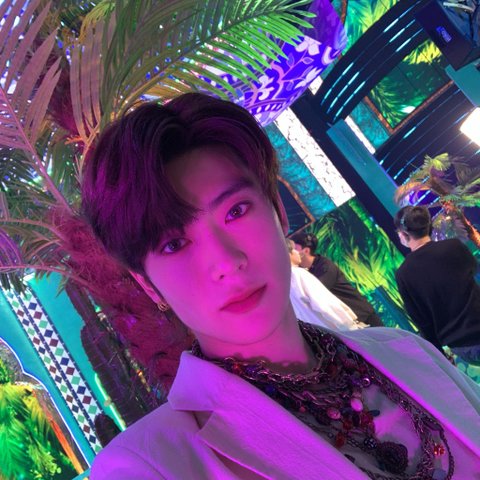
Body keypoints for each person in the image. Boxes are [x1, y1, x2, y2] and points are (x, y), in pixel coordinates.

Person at [83, 93, 480, 480]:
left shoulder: (406, 351)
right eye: (174, 244)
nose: (226, 262)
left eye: (236, 211)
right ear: (149, 286)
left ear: (277, 210)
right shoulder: (148, 466)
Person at [394, 205, 480, 365]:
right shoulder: (454, 246)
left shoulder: (404, 274)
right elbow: (474, 270)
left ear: (404, 234)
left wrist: (441, 357)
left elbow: (423, 322)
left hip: (464, 345)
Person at [290, 232, 384, 327]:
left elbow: (318, 292)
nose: (292, 252)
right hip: (348, 322)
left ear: (306, 250)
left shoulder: (324, 266)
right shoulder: (304, 271)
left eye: (293, 248)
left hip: (361, 314)